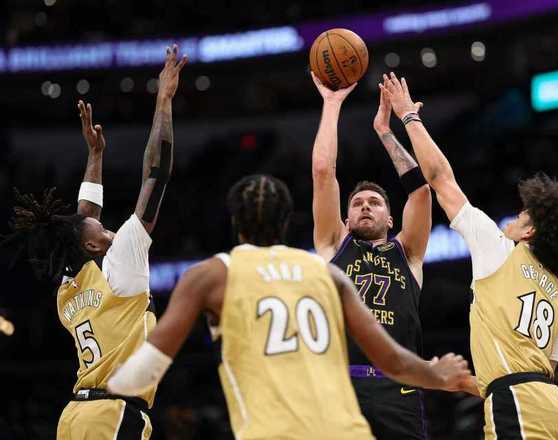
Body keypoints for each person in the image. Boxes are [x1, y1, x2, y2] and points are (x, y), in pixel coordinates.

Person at [107, 174, 470, 440]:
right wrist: (436, 374)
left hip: (273, 429)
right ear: (286, 223)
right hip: (345, 427)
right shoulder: (326, 274)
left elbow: (140, 376)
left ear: (234, 223)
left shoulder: (212, 275)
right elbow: (392, 360)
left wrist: (107, 383)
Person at [380, 72, 558, 439]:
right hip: (552, 406)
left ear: (530, 233)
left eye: (523, 215)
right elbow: (535, 367)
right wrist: (465, 383)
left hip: (518, 401)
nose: (515, 216)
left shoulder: (500, 250)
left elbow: (440, 178)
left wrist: (408, 116)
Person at [2, 45, 187, 439]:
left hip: (74, 417)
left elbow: (83, 217)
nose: (108, 230)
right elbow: (156, 173)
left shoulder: (69, 290)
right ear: (92, 247)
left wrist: (96, 155)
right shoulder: (121, 265)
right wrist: (164, 101)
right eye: (102, 231)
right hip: (113, 415)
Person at [309, 72, 433, 439]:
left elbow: (421, 192)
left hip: (400, 387)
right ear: (345, 219)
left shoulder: (408, 253)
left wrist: (384, 130)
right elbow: (323, 172)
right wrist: (332, 104)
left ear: (391, 219)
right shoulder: (334, 244)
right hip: (342, 385)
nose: (365, 206)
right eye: (357, 203)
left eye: (375, 203)